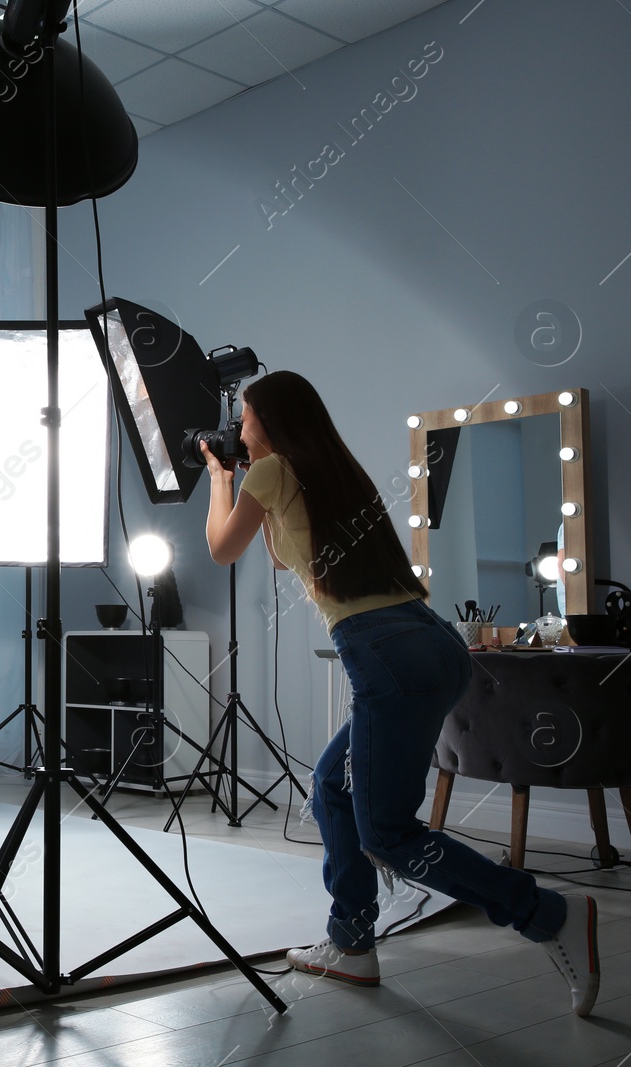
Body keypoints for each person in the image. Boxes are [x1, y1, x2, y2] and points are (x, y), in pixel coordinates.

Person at [201, 370, 600, 1017]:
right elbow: (281, 554)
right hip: (429, 641)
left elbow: (223, 548)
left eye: (245, 417)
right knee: (333, 784)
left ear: (269, 420)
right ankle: (352, 941)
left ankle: (548, 912)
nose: (239, 428)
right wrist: (250, 471)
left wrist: (222, 478)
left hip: (382, 649)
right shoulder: (327, 470)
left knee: (386, 830)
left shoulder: (266, 474)